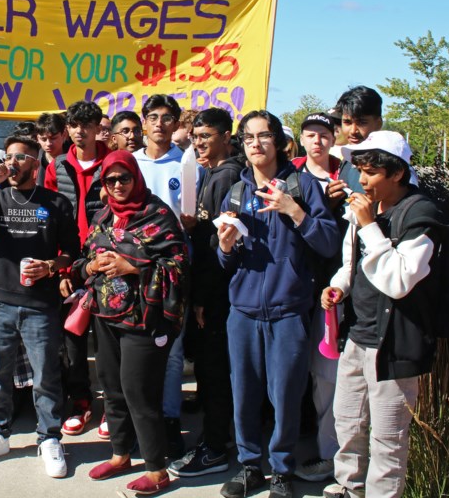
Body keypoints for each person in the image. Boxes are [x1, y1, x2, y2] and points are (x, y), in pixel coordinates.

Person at [216, 110, 341, 498]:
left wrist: (295, 211)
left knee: (285, 395)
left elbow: (328, 242)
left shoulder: (302, 186)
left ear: (280, 142)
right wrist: (223, 247)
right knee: (244, 393)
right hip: (243, 312)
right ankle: (250, 466)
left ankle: (282, 469)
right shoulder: (236, 192)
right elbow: (224, 259)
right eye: (249, 138)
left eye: (264, 136)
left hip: (289, 310)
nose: (256, 144)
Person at [320, 131, 439, 498]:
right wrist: (339, 286)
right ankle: (348, 488)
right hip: (358, 334)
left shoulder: (421, 214)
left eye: (370, 172)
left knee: (388, 440)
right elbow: (351, 262)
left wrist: (370, 226)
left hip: (394, 346)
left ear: (397, 173)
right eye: (359, 170)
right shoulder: (365, 209)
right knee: (348, 423)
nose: (362, 180)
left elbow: (400, 280)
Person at [0, 134, 80, 479]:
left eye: (20, 157)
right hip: (0, 299)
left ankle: (49, 437)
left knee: (45, 375)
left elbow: (71, 249)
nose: (12, 162)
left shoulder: (56, 203)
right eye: (8, 156)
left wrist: (52, 266)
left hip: (40, 303)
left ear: (36, 164)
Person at [76, 150, 187, 495]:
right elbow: (85, 259)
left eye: (124, 178)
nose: (118, 185)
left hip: (144, 319)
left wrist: (134, 267)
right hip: (106, 316)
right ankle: (121, 454)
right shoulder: (104, 217)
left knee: (139, 392)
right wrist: (91, 268)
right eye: (111, 180)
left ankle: (156, 470)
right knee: (112, 387)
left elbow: (179, 266)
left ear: (136, 178)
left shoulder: (158, 214)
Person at [168, 107, 244, 478]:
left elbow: (220, 245)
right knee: (211, 370)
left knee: (215, 371)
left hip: (217, 293)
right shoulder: (208, 173)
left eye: (207, 136)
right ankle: (219, 437)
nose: (199, 143)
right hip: (209, 289)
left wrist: (201, 299)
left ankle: (215, 446)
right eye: (196, 136)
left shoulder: (227, 176)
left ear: (226, 137)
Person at [133, 93, 197, 457]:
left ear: (175, 123)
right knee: (137, 347)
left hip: (173, 268)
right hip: (133, 268)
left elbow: (195, 214)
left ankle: (170, 419)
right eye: (153, 117)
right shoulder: (130, 164)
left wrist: (191, 224)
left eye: (167, 117)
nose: (160, 123)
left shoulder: (188, 164)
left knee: (171, 349)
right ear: (144, 122)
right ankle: (141, 419)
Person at [44, 100, 109, 436]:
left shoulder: (113, 162)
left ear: (99, 127)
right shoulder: (56, 165)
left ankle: (112, 408)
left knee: (110, 339)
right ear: (67, 128)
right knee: (73, 336)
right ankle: (81, 402)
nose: (80, 131)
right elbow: (51, 217)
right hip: (70, 262)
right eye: (74, 125)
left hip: (106, 261)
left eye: (87, 124)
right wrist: (61, 265)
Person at [291, 112, 346, 483]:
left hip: (339, 289)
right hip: (298, 289)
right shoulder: (291, 178)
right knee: (306, 373)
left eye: (324, 135)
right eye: (310, 135)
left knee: (330, 373)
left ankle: (334, 456)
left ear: (333, 138)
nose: (317, 142)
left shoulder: (351, 175)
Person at [334, 86, 384, 194]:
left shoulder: (389, 164)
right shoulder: (347, 159)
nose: (353, 131)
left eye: (362, 122)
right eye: (347, 122)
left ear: (378, 123)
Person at [36, 112, 68, 187]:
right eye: (43, 139)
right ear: (37, 138)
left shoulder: (75, 157)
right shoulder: (33, 158)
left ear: (64, 135)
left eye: (53, 138)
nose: (48, 143)